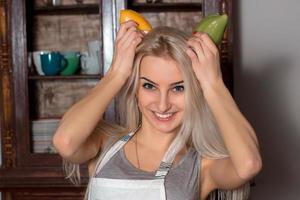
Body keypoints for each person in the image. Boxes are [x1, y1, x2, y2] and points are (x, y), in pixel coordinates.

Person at [53, 21, 262, 200]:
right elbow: (65, 141)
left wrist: (213, 84)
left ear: (195, 91)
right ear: (135, 89)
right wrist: (116, 73)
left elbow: (248, 164)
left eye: (179, 88)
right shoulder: (105, 145)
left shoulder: (201, 165)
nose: (163, 105)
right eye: (149, 86)